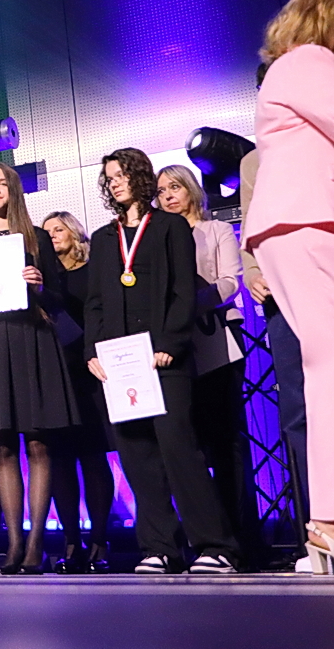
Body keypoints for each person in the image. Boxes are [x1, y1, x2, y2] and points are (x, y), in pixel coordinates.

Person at [84, 147, 238, 574]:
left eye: (120, 175)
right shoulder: (103, 238)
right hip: (119, 362)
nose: (114, 183)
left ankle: (215, 545)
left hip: (163, 357)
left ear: (139, 176)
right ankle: (160, 547)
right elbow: (95, 303)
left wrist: (171, 341)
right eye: (109, 178)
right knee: (137, 455)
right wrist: (93, 352)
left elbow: (184, 291)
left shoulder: (170, 227)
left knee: (179, 450)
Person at [243, 0, 334, 574]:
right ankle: (327, 519)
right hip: (307, 221)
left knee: (325, 366)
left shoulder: (291, 67)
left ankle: (325, 523)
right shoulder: (308, 61)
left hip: (296, 223)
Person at [0, 162, 79, 574]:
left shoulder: (36, 237)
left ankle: (37, 543)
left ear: (14, 190)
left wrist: (38, 285)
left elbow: (59, 299)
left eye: (2, 183)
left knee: (39, 444)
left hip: (30, 340)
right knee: (3, 447)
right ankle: (15, 544)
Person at [157, 163, 260, 559]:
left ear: (191, 189)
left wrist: (187, 305)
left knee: (226, 441)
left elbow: (231, 282)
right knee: (189, 446)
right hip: (176, 349)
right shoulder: (159, 238)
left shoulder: (215, 229)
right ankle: (202, 537)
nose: (168, 195)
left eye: (175, 187)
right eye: (161, 190)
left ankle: (243, 538)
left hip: (215, 339)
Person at [242, 143, 311, 565]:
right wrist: (253, 272)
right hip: (282, 297)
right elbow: (252, 229)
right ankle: (319, 531)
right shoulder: (255, 161)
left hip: (323, 279)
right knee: (297, 414)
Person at [41, 210, 114, 573]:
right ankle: (71, 541)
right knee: (60, 460)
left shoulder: (93, 270)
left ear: (74, 232)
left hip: (92, 371)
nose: (53, 235)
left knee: (94, 456)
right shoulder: (43, 280)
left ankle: (99, 540)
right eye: (47, 232)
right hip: (55, 374)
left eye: (59, 229)